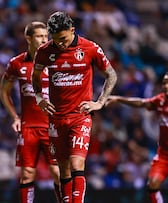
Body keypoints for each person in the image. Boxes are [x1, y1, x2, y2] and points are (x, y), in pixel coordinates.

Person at [31, 11, 117, 203]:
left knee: (77, 163)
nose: (59, 44)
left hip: (80, 116)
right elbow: (35, 77)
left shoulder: (90, 48)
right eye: (55, 40)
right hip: (56, 118)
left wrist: (100, 102)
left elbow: (111, 74)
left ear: (72, 30)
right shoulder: (45, 51)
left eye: (62, 39)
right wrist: (39, 98)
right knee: (63, 169)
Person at [106, 70, 168, 203]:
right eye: (164, 83)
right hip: (164, 155)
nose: (166, 86)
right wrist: (119, 99)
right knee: (152, 184)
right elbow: (142, 103)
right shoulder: (160, 100)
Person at [0, 21, 62, 203]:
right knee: (27, 174)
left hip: (53, 127)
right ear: (28, 38)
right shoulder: (16, 64)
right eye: (39, 36)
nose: (44, 40)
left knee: (58, 172)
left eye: (46, 36)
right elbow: (4, 91)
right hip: (29, 128)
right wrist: (14, 116)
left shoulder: (56, 60)